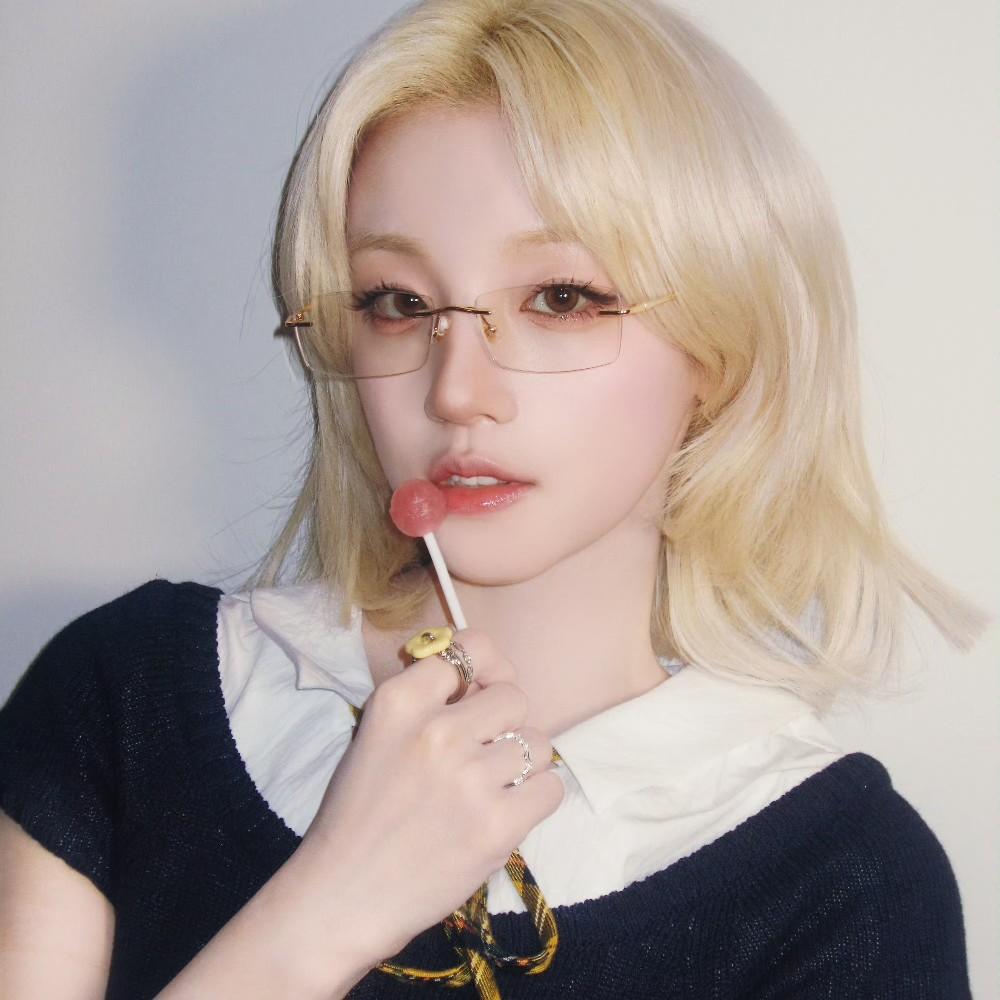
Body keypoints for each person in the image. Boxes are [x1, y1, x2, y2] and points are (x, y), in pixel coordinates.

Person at [0, 0, 991, 997]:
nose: (455, 391)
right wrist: (323, 912)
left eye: (561, 298)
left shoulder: (839, 883)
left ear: (718, 348)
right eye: (400, 303)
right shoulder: (126, 697)